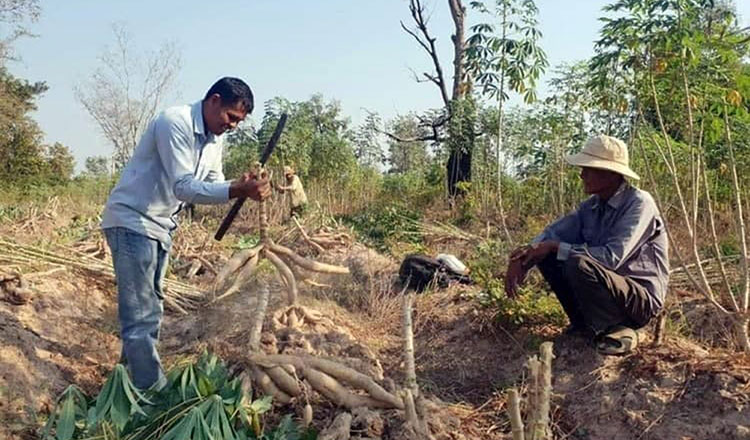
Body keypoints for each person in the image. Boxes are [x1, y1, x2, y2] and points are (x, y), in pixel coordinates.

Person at [100, 77, 271, 389]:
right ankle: (153, 394)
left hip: (160, 227)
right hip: (132, 221)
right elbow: (185, 187)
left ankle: (126, 383)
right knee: (142, 313)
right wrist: (236, 189)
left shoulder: (215, 138)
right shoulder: (174, 123)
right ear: (214, 100)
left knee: (150, 307)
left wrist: (238, 183)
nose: (232, 126)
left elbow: (214, 181)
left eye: (239, 122)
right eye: (231, 118)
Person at [504, 135, 669, 355]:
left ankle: (617, 328)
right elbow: (551, 235)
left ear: (610, 174)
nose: (582, 175)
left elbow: (611, 258)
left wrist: (554, 247)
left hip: (639, 301)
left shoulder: (639, 203)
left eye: (588, 169)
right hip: (611, 292)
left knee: (573, 260)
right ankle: (585, 324)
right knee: (551, 254)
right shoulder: (590, 207)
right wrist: (524, 258)